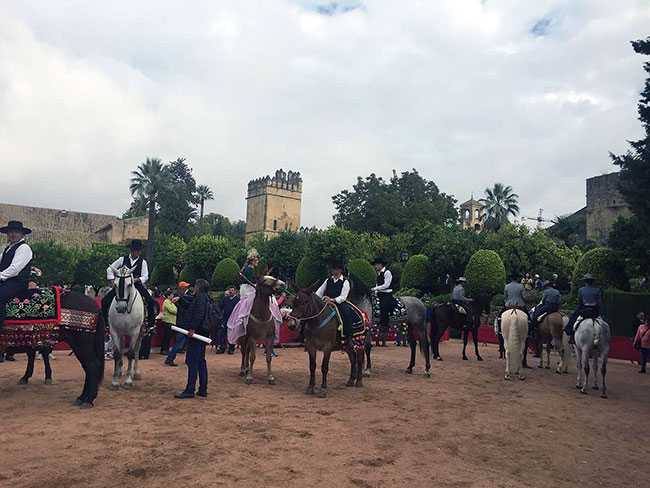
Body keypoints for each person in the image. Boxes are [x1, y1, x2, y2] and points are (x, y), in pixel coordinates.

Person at [101, 239, 156, 335]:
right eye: (136, 250)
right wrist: (113, 281)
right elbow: (109, 269)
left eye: (139, 250)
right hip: (122, 284)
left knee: (150, 301)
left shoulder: (143, 262)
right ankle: (105, 324)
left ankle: (150, 325)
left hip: (136, 284)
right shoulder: (122, 259)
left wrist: (138, 280)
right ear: (132, 250)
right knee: (105, 300)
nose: (138, 252)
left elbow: (145, 275)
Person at [174, 279, 211, 398]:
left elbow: (198, 313)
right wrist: (179, 301)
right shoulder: (204, 297)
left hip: (196, 334)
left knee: (193, 361)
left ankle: (190, 389)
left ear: (198, 287)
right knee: (200, 361)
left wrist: (192, 329)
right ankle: (202, 389)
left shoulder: (200, 297)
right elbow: (191, 307)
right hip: (201, 333)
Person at [0, 221, 33, 335]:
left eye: (16, 232)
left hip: (18, 282)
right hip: (6, 281)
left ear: (22, 234)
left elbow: (15, 269)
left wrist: (0, 276)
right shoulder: (7, 249)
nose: (13, 234)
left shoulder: (24, 248)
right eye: (10, 232)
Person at [315, 260, 362, 340]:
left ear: (340, 270)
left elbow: (343, 297)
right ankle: (303, 335)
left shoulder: (345, 282)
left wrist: (332, 300)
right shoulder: (328, 280)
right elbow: (319, 292)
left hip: (338, 303)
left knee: (347, 313)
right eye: (332, 269)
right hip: (326, 302)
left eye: (335, 269)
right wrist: (315, 299)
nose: (333, 270)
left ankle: (349, 336)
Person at [564, 273, 604, 342]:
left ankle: (571, 336)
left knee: (573, 318)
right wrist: (602, 314)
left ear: (585, 281)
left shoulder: (581, 290)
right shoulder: (597, 290)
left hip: (585, 310)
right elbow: (600, 304)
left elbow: (580, 303)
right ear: (592, 282)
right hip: (595, 311)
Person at [371, 257, 396, 346]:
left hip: (387, 294)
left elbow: (386, 285)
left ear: (380, 264)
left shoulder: (387, 272)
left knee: (384, 306)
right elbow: (378, 284)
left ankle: (385, 323)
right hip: (380, 294)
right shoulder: (378, 273)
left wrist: (376, 288)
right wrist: (375, 291)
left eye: (376, 265)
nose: (375, 266)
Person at [165, 282, 191, 366]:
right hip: (182, 321)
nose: (187, 288)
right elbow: (177, 308)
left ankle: (172, 358)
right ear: (181, 287)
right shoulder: (177, 295)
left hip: (183, 321)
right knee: (180, 342)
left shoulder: (181, 295)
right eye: (185, 286)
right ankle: (170, 358)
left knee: (184, 341)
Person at [217, 286, 240, 354]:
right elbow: (220, 308)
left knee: (232, 334)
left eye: (232, 290)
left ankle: (231, 348)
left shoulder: (238, 300)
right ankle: (222, 348)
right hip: (225, 319)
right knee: (222, 333)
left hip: (234, 320)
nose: (231, 292)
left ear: (235, 292)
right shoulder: (224, 299)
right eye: (230, 290)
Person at [160, 290, 178, 355]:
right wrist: (177, 311)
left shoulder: (170, 302)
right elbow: (172, 310)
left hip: (171, 321)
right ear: (168, 296)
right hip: (167, 321)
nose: (173, 296)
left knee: (168, 336)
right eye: (172, 295)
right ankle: (164, 349)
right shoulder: (167, 302)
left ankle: (166, 349)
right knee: (167, 336)